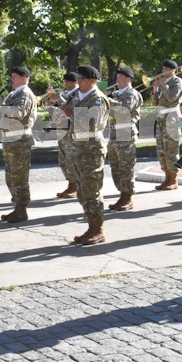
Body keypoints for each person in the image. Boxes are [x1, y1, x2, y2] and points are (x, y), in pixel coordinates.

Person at [65, 66, 111, 245]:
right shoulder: (79, 96)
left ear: (92, 80)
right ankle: (90, 226)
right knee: (83, 192)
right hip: (78, 148)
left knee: (92, 190)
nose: (78, 82)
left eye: (81, 79)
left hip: (91, 150)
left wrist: (72, 114)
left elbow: (93, 123)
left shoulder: (98, 99)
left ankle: (98, 229)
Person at [0, 66, 38, 223]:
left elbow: (17, 114)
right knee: (11, 177)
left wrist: (1, 103)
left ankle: (22, 209)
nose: (11, 79)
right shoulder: (13, 94)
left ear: (24, 78)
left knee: (19, 177)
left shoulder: (25, 94)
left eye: (14, 77)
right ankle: (17, 207)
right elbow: (2, 117)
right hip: (11, 140)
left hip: (20, 141)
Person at [107, 67, 143, 211]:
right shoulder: (115, 94)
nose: (118, 78)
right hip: (114, 132)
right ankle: (122, 194)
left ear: (129, 79)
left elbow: (124, 109)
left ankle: (128, 197)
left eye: (121, 76)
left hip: (126, 132)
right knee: (115, 165)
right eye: (117, 76)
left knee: (126, 166)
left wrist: (107, 100)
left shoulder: (132, 93)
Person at [43, 71, 80, 198]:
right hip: (62, 129)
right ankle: (70, 183)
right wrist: (50, 97)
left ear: (75, 82)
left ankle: (75, 185)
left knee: (71, 159)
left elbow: (71, 107)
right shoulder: (64, 94)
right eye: (65, 81)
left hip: (72, 130)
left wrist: (59, 99)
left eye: (69, 81)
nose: (66, 84)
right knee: (63, 159)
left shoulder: (78, 94)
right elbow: (47, 105)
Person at [153, 59, 182, 191]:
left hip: (172, 117)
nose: (164, 71)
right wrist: (155, 90)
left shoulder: (177, 82)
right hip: (161, 117)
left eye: (167, 69)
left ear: (173, 70)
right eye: (163, 69)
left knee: (171, 148)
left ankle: (173, 179)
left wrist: (163, 85)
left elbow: (172, 98)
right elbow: (155, 103)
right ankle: (166, 178)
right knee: (161, 149)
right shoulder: (163, 83)